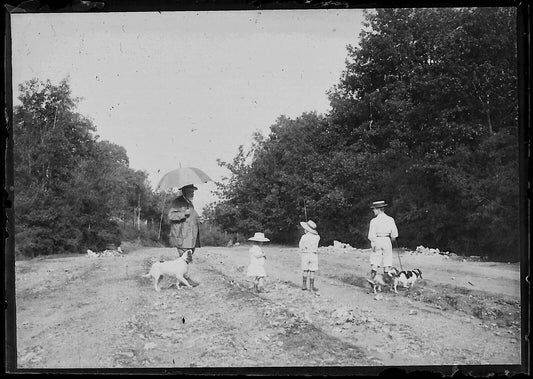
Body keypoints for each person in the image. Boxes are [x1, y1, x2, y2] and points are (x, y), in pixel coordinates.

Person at [168, 184, 201, 287]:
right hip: (181, 235)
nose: (193, 193)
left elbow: (192, 217)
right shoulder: (177, 202)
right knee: (185, 257)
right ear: (185, 191)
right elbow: (171, 216)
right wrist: (183, 214)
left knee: (187, 257)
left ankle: (182, 277)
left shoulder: (189, 203)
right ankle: (185, 278)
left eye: (193, 191)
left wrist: (199, 219)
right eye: (191, 191)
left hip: (191, 236)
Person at [367, 200, 398, 281]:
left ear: (378, 209)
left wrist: (373, 244)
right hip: (387, 240)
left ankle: (373, 279)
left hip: (377, 239)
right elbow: (394, 234)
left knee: (375, 259)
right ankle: (386, 280)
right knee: (387, 259)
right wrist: (392, 239)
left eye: (374, 209)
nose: (373, 211)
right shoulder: (390, 219)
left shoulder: (374, 221)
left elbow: (371, 235)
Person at [298, 220, 321, 292]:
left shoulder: (304, 237)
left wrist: (303, 249)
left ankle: (304, 285)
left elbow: (300, 246)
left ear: (307, 229)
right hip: (313, 255)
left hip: (305, 254)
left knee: (305, 270)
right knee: (312, 271)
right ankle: (311, 287)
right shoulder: (317, 237)